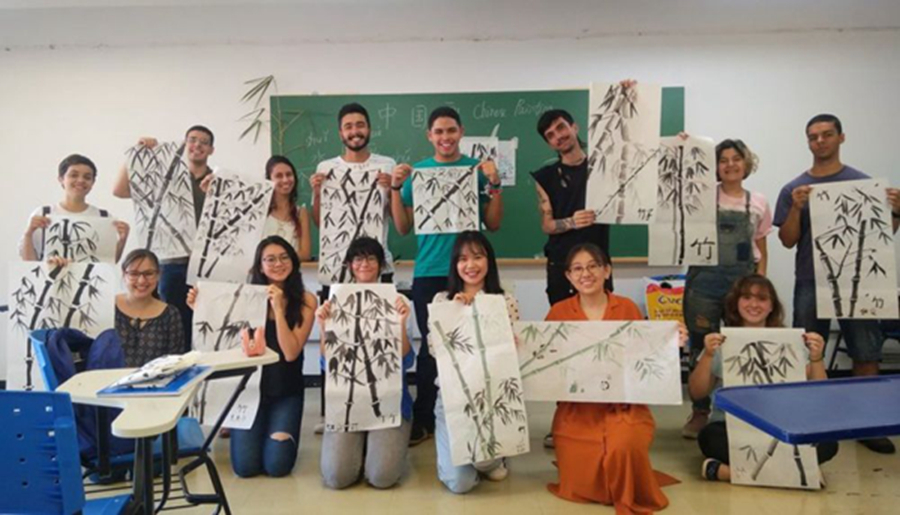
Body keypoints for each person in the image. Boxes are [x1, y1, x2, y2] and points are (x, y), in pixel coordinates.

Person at [774, 113, 900, 454]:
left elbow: (880, 238)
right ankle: (808, 421)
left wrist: (896, 212)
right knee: (806, 348)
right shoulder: (793, 189)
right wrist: (796, 208)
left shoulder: (864, 184)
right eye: (813, 136)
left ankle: (869, 423)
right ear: (807, 141)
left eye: (827, 134)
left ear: (841, 137)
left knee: (866, 351)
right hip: (810, 280)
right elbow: (787, 240)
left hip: (856, 282)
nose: (820, 141)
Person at [391, 106, 504, 445]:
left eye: (451, 130)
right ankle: (425, 418)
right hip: (429, 271)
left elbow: (493, 224)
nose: (445, 137)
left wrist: (496, 184)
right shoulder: (419, 173)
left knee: (476, 343)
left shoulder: (476, 170)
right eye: (439, 131)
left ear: (461, 132)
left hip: (471, 271)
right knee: (432, 348)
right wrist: (395, 189)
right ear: (429, 136)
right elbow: (402, 227)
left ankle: (477, 414)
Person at [546, 243, 682, 514]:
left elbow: (645, 356)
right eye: (577, 269)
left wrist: (670, 343)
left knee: (623, 447)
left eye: (593, 266)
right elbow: (547, 363)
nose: (586, 274)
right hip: (577, 410)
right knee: (582, 474)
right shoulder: (558, 313)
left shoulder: (627, 308)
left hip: (624, 405)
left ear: (607, 271)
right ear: (569, 276)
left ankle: (625, 485)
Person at [188, 236, 317, 477]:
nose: (278, 264)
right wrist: (201, 308)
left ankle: (277, 429)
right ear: (260, 266)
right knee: (245, 468)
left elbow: (290, 353)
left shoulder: (307, 300)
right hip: (249, 392)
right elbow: (220, 336)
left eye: (284, 258)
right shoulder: (244, 298)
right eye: (270, 259)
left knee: (277, 466)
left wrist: (278, 310)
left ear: (293, 261)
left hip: (285, 392)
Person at [689, 274, 838, 481]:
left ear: (771, 306)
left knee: (829, 443)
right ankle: (797, 473)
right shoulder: (722, 342)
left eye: (762, 299)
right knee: (710, 438)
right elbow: (697, 392)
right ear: (736, 303)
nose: (753, 305)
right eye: (746, 297)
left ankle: (727, 472)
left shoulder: (790, 342)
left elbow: (819, 393)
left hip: (782, 427)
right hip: (733, 426)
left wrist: (816, 357)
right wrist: (707, 355)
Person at [681, 138, 773, 439]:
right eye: (723, 160)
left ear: (746, 163)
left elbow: (761, 247)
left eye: (736, 158)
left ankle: (739, 408)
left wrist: (760, 286)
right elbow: (676, 185)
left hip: (741, 284)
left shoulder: (758, 202)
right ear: (715, 166)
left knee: (739, 344)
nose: (730, 164)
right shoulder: (702, 196)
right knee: (701, 346)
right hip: (704, 284)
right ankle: (700, 411)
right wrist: (684, 147)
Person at [316, 237, 415, 489]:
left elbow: (406, 361)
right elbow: (328, 365)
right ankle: (359, 446)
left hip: (389, 400)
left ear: (381, 265)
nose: (365, 264)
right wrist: (324, 327)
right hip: (347, 399)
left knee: (382, 477)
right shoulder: (336, 302)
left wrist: (400, 325)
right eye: (358, 258)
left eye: (371, 258)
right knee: (336, 477)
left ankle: (373, 446)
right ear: (350, 265)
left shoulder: (398, 302)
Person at [430, 231, 519, 493]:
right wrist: (457, 315)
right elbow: (436, 351)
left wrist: (513, 344)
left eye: (478, 257)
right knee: (460, 483)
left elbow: (510, 355)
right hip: (453, 398)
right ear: (455, 265)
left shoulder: (505, 301)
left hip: (492, 397)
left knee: (484, 462)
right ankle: (458, 455)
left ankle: (494, 458)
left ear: (489, 261)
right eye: (463, 259)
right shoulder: (442, 300)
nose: (470, 265)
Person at [113, 125, 216, 353]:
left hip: (206, 265)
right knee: (172, 323)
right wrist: (137, 155)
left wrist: (216, 191)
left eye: (204, 142)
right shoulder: (165, 177)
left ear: (211, 150)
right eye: (192, 139)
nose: (197, 145)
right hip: (171, 262)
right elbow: (119, 190)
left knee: (205, 325)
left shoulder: (218, 180)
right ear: (184, 144)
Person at [310, 103, 395, 285]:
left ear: (369, 129)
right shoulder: (326, 168)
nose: (355, 131)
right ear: (340, 133)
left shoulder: (387, 165)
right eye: (348, 127)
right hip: (335, 268)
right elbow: (320, 223)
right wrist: (317, 194)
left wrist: (393, 190)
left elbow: (399, 222)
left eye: (360, 125)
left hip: (378, 266)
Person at [20, 154, 129, 262]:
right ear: (61, 179)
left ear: (93, 183)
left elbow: (107, 262)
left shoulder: (103, 217)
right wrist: (28, 233)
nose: (80, 180)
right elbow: (28, 262)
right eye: (74, 175)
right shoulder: (43, 213)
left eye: (87, 177)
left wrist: (122, 240)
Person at [115, 249, 184, 367]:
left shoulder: (171, 314)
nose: (141, 280)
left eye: (149, 273)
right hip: (107, 378)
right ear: (124, 274)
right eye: (134, 274)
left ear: (158, 275)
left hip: (155, 379)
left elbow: (175, 362)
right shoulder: (109, 307)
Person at [264, 155, 312, 261]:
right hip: (264, 270)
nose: (285, 180)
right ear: (269, 180)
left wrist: (274, 259)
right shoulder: (261, 212)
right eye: (279, 176)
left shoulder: (301, 213)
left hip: (291, 270)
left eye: (289, 174)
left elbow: (305, 254)